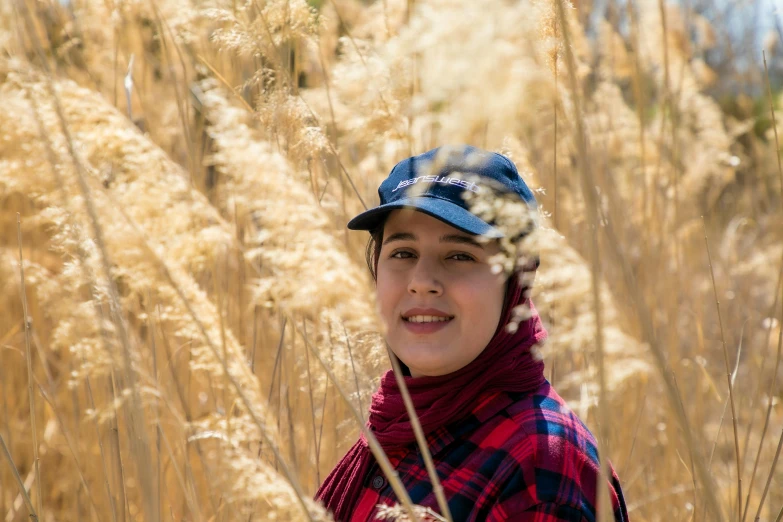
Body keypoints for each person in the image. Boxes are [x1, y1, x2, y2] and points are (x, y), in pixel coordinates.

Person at [316, 145, 629, 521]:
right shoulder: (403, 424)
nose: (421, 282)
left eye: (460, 256)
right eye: (402, 253)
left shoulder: (538, 467)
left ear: (516, 281)